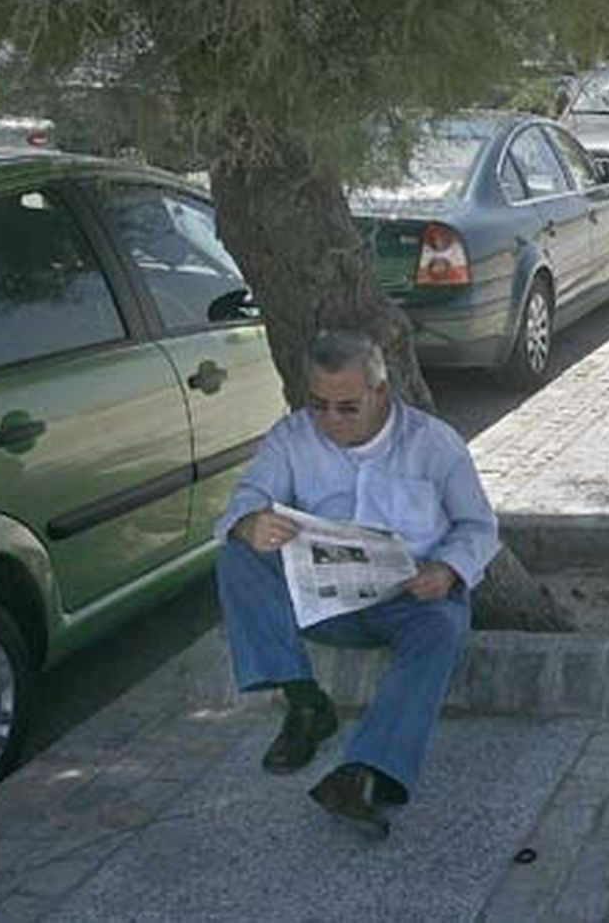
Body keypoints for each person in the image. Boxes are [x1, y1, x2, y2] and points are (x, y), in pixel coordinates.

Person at [215, 329, 499, 838]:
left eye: (347, 408)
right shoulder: (292, 437)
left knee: (442, 629)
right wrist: (249, 522)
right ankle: (306, 704)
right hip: (325, 601)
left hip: (410, 597)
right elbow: (247, 497)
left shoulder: (433, 442)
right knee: (238, 555)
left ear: (380, 393)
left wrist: (447, 570)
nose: (331, 420)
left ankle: (365, 772)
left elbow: (478, 526)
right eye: (319, 405)